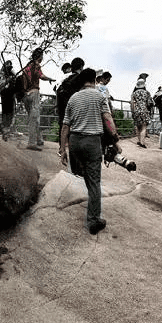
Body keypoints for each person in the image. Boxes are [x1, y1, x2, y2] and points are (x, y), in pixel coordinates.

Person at [59, 68, 121, 235]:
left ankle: (92, 204)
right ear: (94, 80)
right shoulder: (99, 96)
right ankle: (93, 220)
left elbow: (65, 126)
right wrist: (115, 140)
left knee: (84, 174)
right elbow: (107, 119)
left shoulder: (73, 98)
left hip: (75, 142)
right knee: (94, 182)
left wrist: (62, 149)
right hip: (92, 141)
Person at [21, 47, 56, 150]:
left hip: (25, 95)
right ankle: (32, 142)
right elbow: (41, 76)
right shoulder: (36, 66)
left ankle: (39, 139)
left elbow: (23, 79)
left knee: (34, 118)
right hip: (34, 93)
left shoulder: (27, 67)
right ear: (40, 57)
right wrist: (49, 78)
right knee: (34, 119)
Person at [55, 57, 85, 143]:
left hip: (62, 105)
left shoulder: (64, 78)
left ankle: (62, 147)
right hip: (74, 107)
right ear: (81, 67)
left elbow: (56, 89)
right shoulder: (80, 78)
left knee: (63, 125)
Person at [0, 60, 17, 141]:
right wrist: (6, 81)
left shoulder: (13, 74)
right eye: (7, 66)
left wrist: (12, 78)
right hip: (4, 95)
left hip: (11, 95)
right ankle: (5, 132)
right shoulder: (0, 75)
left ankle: (9, 131)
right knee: (5, 113)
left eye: (10, 66)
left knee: (11, 113)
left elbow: (16, 83)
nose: (9, 67)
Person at [130, 75, 154, 148]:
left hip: (136, 110)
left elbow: (132, 103)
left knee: (138, 126)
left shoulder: (134, 93)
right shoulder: (147, 93)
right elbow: (150, 103)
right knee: (144, 127)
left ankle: (139, 140)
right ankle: (142, 142)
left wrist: (133, 111)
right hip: (144, 110)